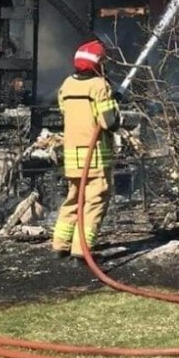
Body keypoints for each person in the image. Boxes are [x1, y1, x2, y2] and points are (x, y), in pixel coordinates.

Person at [51, 40, 121, 259]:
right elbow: (109, 122)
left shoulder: (67, 84)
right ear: (97, 63)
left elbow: (66, 111)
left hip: (72, 156)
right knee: (95, 200)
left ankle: (60, 245)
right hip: (95, 156)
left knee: (73, 199)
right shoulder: (99, 86)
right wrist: (115, 104)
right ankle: (82, 250)